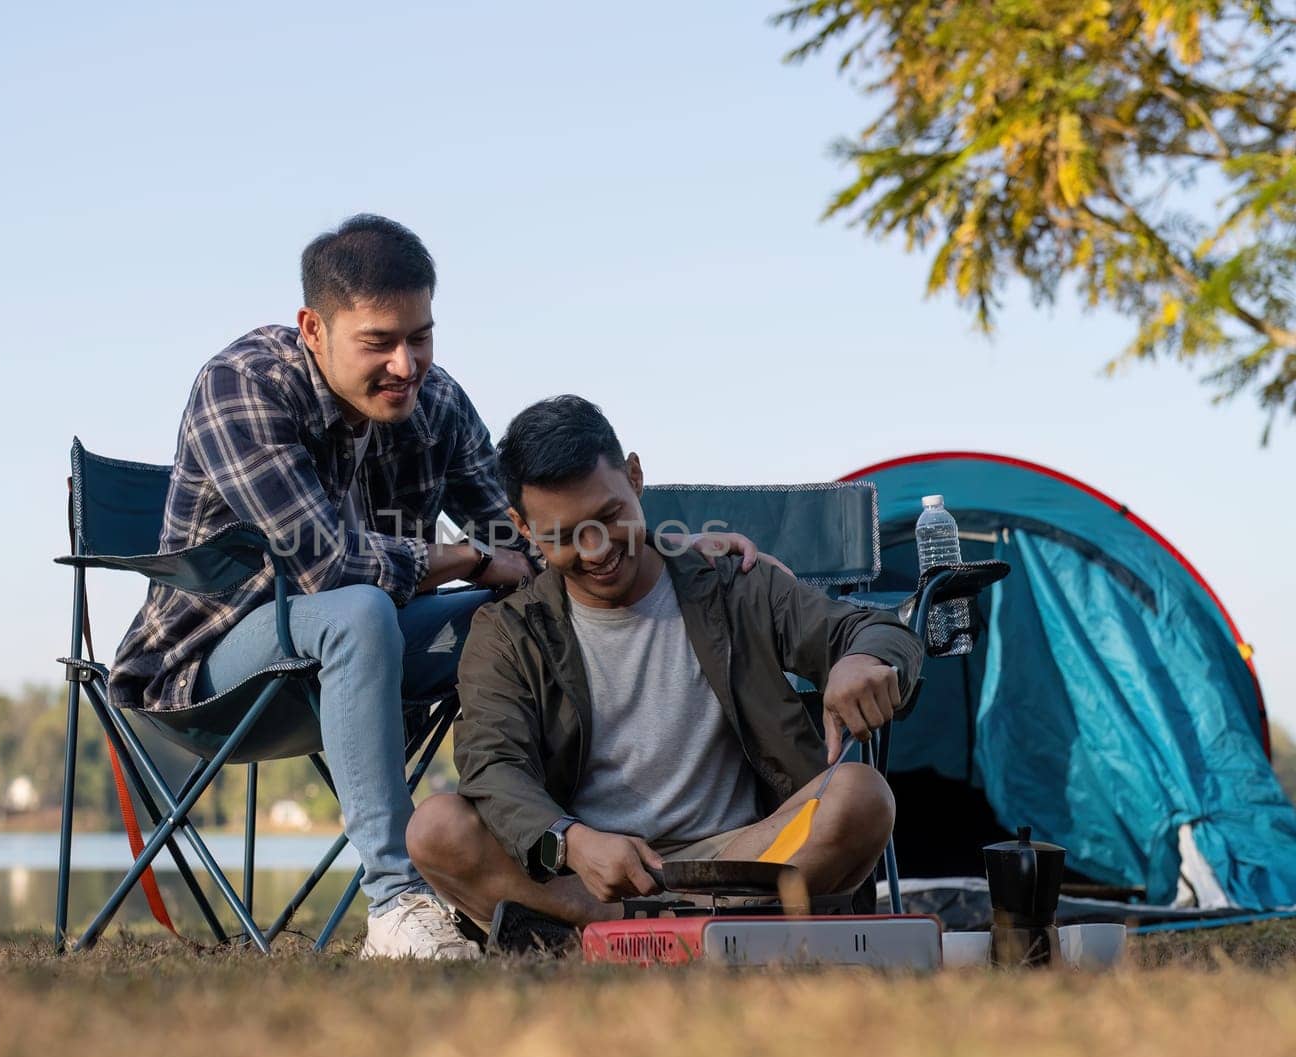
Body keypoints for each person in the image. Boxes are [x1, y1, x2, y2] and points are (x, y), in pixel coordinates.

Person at [109, 218, 762, 959]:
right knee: (359, 609)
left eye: (420, 336)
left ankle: (560, 854)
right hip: (209, 676)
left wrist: (664, 549)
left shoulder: (437, 403)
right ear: (313, 329)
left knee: (516, 617)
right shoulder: (245, 385)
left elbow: (533, 538)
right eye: (379, 341)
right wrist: (465, 560)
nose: (405, 363)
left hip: (365, 656)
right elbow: (330, 566)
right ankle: (395, 900)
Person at [406, 395, 924, 934]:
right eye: (562, 536)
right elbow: (493, 768)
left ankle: (627, 935)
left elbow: (871, 629)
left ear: (635, 477)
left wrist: (861, 658)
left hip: (742, 857)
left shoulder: (732, 581)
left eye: (610, 517)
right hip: (591, 870)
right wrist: (571, 842)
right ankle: (695, 930)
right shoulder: (508, 632)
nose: (596, 550)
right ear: (524, 526)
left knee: (862, 796)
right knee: (436, 827)